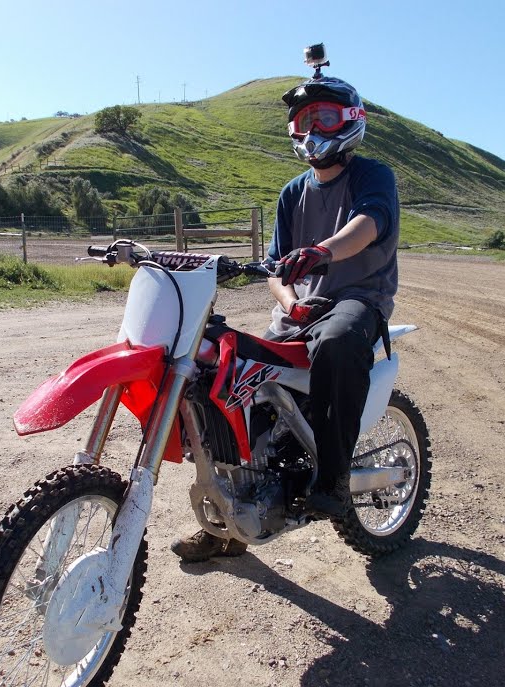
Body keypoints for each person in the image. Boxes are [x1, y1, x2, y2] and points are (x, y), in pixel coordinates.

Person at [171, 72, 400, 562]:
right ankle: (229, 519)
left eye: (325, 118)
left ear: (351, 123)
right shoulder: (292, 193)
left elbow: (367, 226)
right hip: (301, 310)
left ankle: (335, 480)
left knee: (338, 342)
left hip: (357, 300)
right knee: (221, 371)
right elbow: (277, 268)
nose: (313, 129)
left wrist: (322, 252)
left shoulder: (373, 176)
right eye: (303, 120)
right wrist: (289, 300)